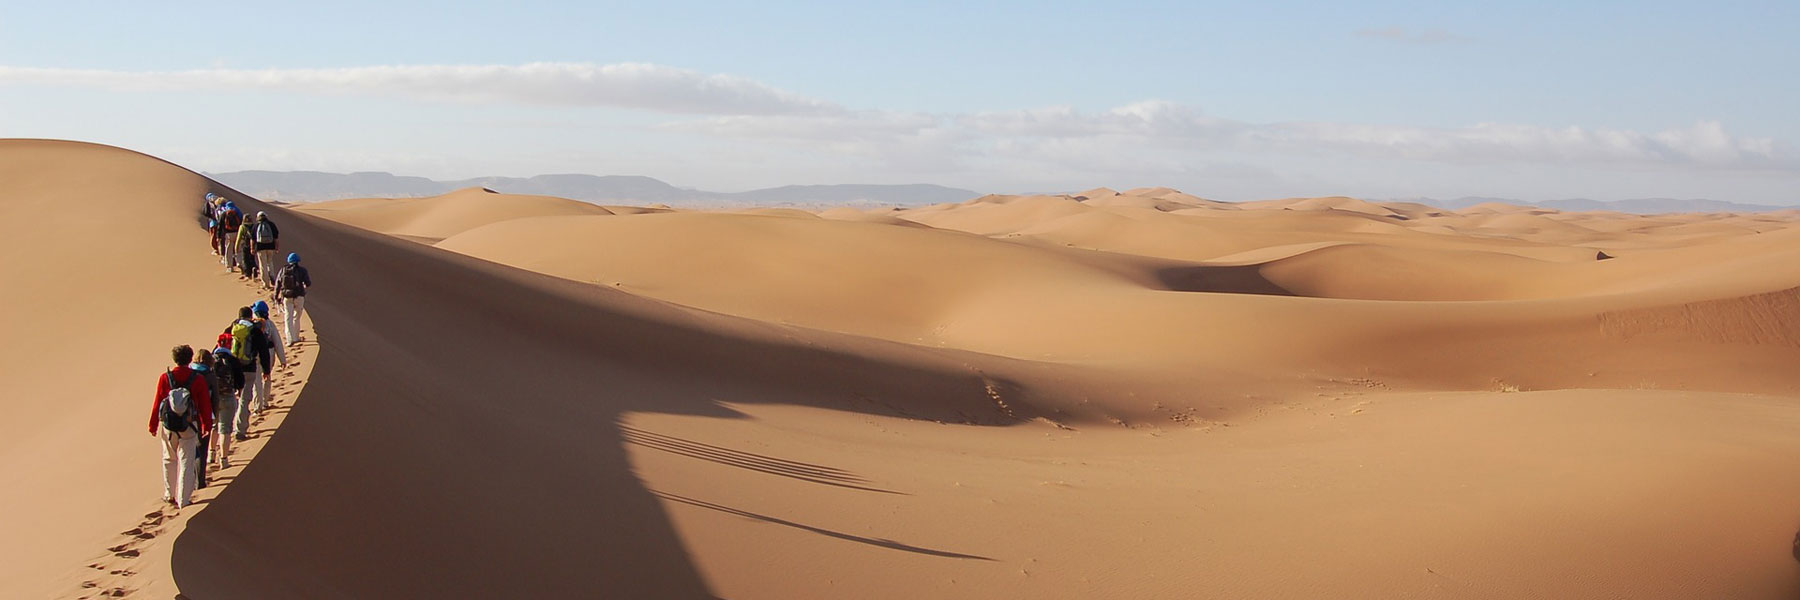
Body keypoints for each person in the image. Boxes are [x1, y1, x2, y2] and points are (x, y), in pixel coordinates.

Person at [149, 345, 212, 508]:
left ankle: (169, 495)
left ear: (174, 359)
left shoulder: (165, 378)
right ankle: (184, 499)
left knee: (169, 459)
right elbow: (205, 404)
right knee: (187, 461)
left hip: (168, 426)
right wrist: (207, 424)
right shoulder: (198, 379)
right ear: (190, 359)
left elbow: (158, 401)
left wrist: (153, 424)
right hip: (189, 426)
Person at [209, 334, 243, 468]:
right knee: (225, 429)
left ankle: (211, 455)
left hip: (213, 399)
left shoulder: (210, 359)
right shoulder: (233, 360)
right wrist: (238, 390)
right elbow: (240, 381)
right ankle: (224, 460)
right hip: (228, 397)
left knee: (214, 427)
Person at [250, 301, 288, 415]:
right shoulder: (270, 324)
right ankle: (265, 402)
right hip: (269, 354)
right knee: (267, 378)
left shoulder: (252, 325)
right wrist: (282, 360)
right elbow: (277, 342)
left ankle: (258, 406)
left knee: (257, 382)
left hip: (256, 356)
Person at [189, 349, 221, 488]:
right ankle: (199, 482)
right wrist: (215, 417)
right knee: (201, 451)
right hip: (203, 416)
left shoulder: (189, 373)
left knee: (188, 451)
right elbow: (215, 399)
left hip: (187, 417)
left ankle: (188, 481)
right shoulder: (209, 375)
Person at [228, 308, 260, 439]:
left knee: (232, 398)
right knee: (244, 399)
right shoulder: (255, 330)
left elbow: (221, 346)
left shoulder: (232, 328)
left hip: (232, 369)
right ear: (250, 316)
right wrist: (267, 370)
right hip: (249, 369)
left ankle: (227, 427)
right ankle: (240, 430)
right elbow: (263, 350)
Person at [275, 253, 312, 343]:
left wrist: (276, 296)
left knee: (288, 317)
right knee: (297, 317)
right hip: (299, 296)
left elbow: (278, 283)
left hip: (287, 296)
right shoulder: (302, 270)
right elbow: (308, 283)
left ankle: (289, 339)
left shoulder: (283, 270)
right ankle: (296, 337)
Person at [250, 212, 281, 290]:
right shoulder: (271, 225)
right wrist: (277, 247)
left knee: (262, 265)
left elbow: (252, 239)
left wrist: (252, 248)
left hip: (260, 248)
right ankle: (272, 276)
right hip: (271, 247)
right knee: (270, 262)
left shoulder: (256, 226)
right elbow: (276, 238)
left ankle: (266, 284)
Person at [217, 202, 244, 271]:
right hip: (237, 233)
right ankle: (239, 262)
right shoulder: (238, 211)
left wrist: (219, 236)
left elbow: (220, 225)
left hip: (228, 234)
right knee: (238, 249)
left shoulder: (224, 213)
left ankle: (229, 266)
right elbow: (242, 222)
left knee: (228, 250)